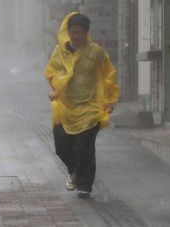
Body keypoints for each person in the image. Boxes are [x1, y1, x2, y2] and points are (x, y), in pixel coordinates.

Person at [44, 12, 119, 199]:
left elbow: (108, 76)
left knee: (84, 147)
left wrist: (109, 101)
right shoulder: (59, 52)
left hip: (90, 107)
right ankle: (75, 171)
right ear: (67, 32)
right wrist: (58, 85)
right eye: (73, 32)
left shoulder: (96, 52)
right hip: (65, 108)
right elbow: (51, 72)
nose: (76, 36)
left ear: (87, 33)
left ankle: (85, 185)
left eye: (80, 32)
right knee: (61, 146)